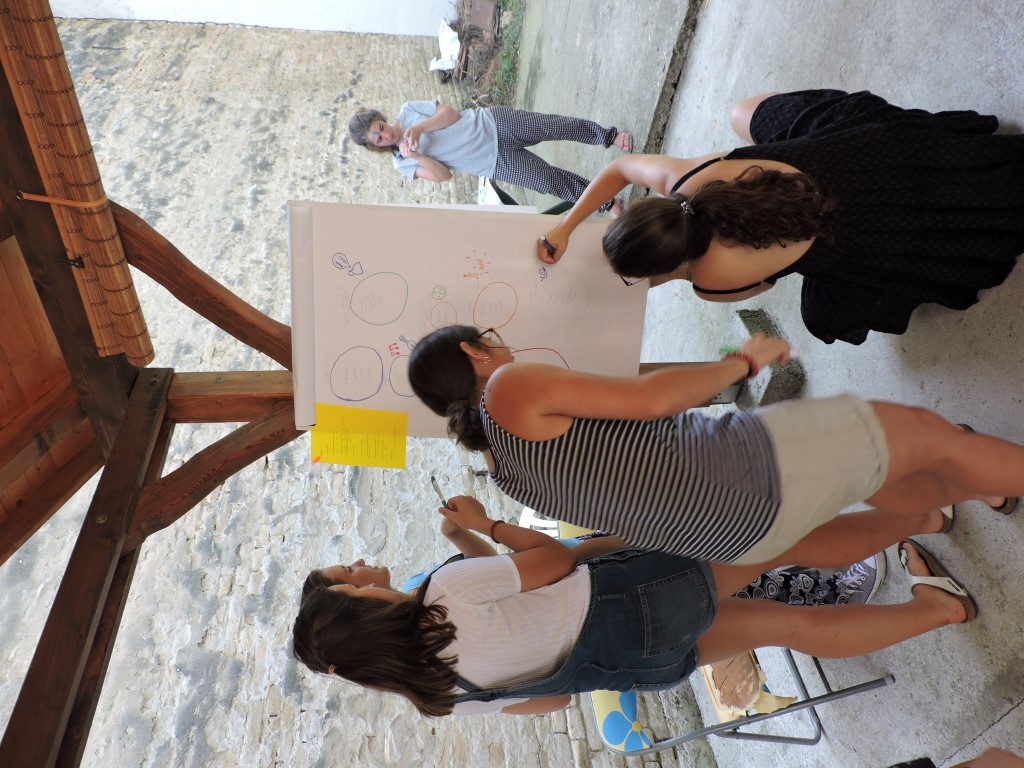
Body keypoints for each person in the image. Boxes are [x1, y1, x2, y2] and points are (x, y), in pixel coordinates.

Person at [291, 496, 972, 717]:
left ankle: (937, 610)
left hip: (634, 661)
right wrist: (488, 526)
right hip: (630, 596)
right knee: (783, 541)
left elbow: (552, 700)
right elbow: (557, 561)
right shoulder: (443, 595)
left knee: (789, 626)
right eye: (355, 589)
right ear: (363, 613)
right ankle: (924, 513)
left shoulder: (440, 696)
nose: (367, 584)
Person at [406, 325, 1022, 567]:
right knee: (921, 431)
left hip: (735, 541)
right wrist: (741, 362)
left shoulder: (500, 467)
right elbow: (653, 400)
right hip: (745, 473)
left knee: (875, 466)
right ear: (472, 352)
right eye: (490, 336)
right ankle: (984, 474)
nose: (503, 343)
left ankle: (979, 486)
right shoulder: (507, 390)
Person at [537, 89, 1024, 344]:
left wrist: (662, 275)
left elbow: (767, 282)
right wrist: (565, 225)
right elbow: (621, 168)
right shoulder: (686, 179)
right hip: (875, 150)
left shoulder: (710, 283)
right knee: (743, 114)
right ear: (653, 206)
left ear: (667, 265)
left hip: (884, 232)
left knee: (820, 316)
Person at [347, 100, 631, 212]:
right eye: (379, 139)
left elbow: (451, 114)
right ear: (377, 146)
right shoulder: (403, 163)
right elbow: (444, 176)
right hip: (493, 163)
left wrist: (420, 128)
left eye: (380, 127)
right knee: (550, 182)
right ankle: (608, 202)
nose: (386, 135)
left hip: (494, 123)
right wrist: (419, 156)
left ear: (380, 118)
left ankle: (607, 136)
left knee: (554, 126)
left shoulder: (409, 111)